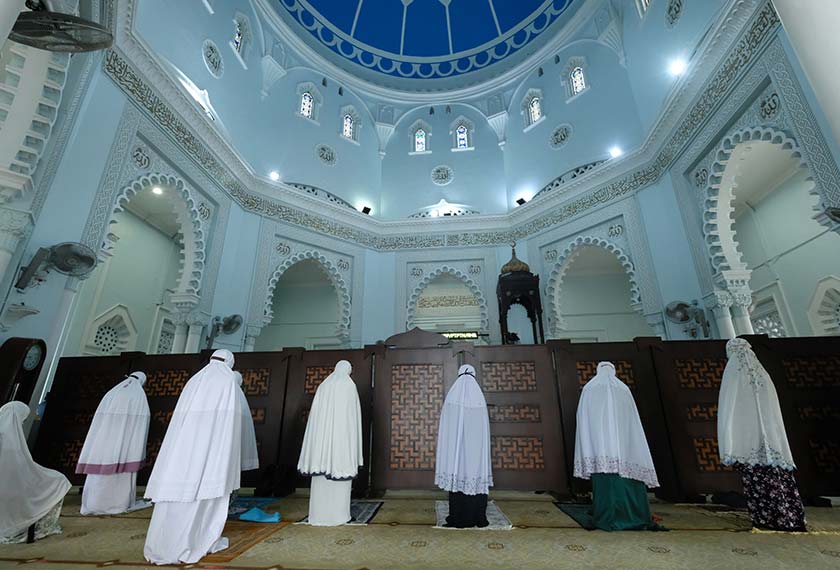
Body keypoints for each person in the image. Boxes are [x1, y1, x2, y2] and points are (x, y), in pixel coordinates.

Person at [144, 349, 256, 564]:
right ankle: (195, 541)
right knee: (204, 496)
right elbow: (229, 424)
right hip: (209, 453)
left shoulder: (195, 381)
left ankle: (161, 545)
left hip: (182, 453)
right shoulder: (227, 383)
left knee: (174, 496)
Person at [718, 338, 806, 532]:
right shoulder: (762, 374)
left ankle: (766, 519)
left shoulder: (733, 372)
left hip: (748, 435)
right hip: (773, 437)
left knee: (757, 477)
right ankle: (790, 518)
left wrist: (728, 441)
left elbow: (727, 407)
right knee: (778, 475)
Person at [574, 361, 660, 531]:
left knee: (606, 476)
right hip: (624, 443)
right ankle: (636, 515)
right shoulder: (623, 389)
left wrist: (591, 441)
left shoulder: (590, 388)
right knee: (627, 471)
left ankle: (607, 516)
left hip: (600, 444)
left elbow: (584, 418)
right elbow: (631, 419)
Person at [297, 360, 363, 526]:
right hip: (341, 439)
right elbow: (351, 417)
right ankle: (340, 516)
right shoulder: (348, 385)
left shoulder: (324, 385)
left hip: (322, 441)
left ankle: (317, 515)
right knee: (340, 471)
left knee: (320, 478)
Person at [77, 371, 150, 515]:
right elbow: (143, 420)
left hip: (104, 441)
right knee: (119, 475)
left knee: (98, 475)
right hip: (124, 442)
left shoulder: (112, 393)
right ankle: (117, 504)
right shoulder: (138, 395)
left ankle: (91, 504)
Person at [0, 401, 71, 544]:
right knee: (58, 481)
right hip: (13, 490)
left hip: (10, 488)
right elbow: (22, 471)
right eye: (23, 420)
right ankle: (32, 524)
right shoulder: (10, 442)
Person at [434, 364, 493, 528]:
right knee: (474, 475)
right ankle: (478, 518)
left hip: (456, 454)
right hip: (476, 453)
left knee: (458, 474)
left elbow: (447, 430)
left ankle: (457, 518)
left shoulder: (452, 397)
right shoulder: (479, 398)